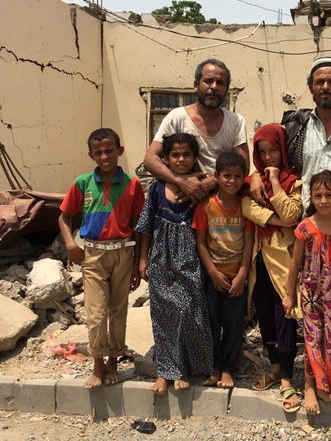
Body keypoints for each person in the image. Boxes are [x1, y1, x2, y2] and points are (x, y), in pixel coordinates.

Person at [250, 57, 331, 260]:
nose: (325, 87)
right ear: (311, 87)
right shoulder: (298, 127)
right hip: (309, 234)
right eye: (320, 82)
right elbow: (275, 160)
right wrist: (256, 175)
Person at [58, 128, 144, 389]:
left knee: (118, 311)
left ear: (120, 151)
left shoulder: (132, 185)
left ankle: (113, 362)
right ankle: (97, 363)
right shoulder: (83, 183)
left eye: (109, 150)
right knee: (95, 313)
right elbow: (64, 216)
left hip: (123, 254)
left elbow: (139, 224)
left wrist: (139, 263)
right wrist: (71, 244)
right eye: (98, 152)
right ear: (90, 155)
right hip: (93, 255)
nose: (104, 156)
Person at [134, 133, 213, 394]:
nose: (181, 159)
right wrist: (143, 259)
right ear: (166, 158)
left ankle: (187, 367)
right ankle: (165, 371)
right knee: (162, 314)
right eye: (175, 155)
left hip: (190, 257)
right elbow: (146, 226)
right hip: (161, 259)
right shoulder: (157, 188)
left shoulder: (202, 185)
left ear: (195, 157)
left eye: (186, 154)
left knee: (190, 311)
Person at [283, 170, 331, 415]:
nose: (323, 200)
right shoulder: (306, 227)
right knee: (313, 337)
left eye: (329, 195)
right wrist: (289, 294)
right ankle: (311, 385)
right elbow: (295, 264)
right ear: (311, 198)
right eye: (318, 195)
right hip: (311, 293)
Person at [242, 124, 303, 412]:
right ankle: (275, 366)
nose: (267, 158)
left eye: (273, 151)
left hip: (284, 263)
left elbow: (293, 212)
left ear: (283, 150)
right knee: (265, 314)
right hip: (259, 260)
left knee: (286, 316)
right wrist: (278, 221)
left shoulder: (295, 182)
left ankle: (288, 378)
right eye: (262, 152)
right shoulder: (252, 183)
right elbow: (247, 208)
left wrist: (276, 182)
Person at [144, 58, 249, 204]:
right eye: (208, 80)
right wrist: (182, 181)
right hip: (180, 204)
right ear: (196, 85)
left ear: (226, 90)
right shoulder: (177, 117)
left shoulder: (236, 121)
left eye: (220, 83)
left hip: (221, 206)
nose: (214, 87)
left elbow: (244, 166)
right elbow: (150, 160)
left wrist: (213, 181)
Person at [193, 151, 255, 390]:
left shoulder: (244, 207)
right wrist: (212, 272)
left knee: (233, 325)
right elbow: (200, 242)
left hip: (236, 276)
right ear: (216, 177)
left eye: (238, 176)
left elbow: (249, 241)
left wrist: (241, 274)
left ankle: (228, 368)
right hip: (212, 277)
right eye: (226, 176)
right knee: (210, 322)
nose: (232, 181)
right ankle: (214, 366)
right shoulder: (206, 206)